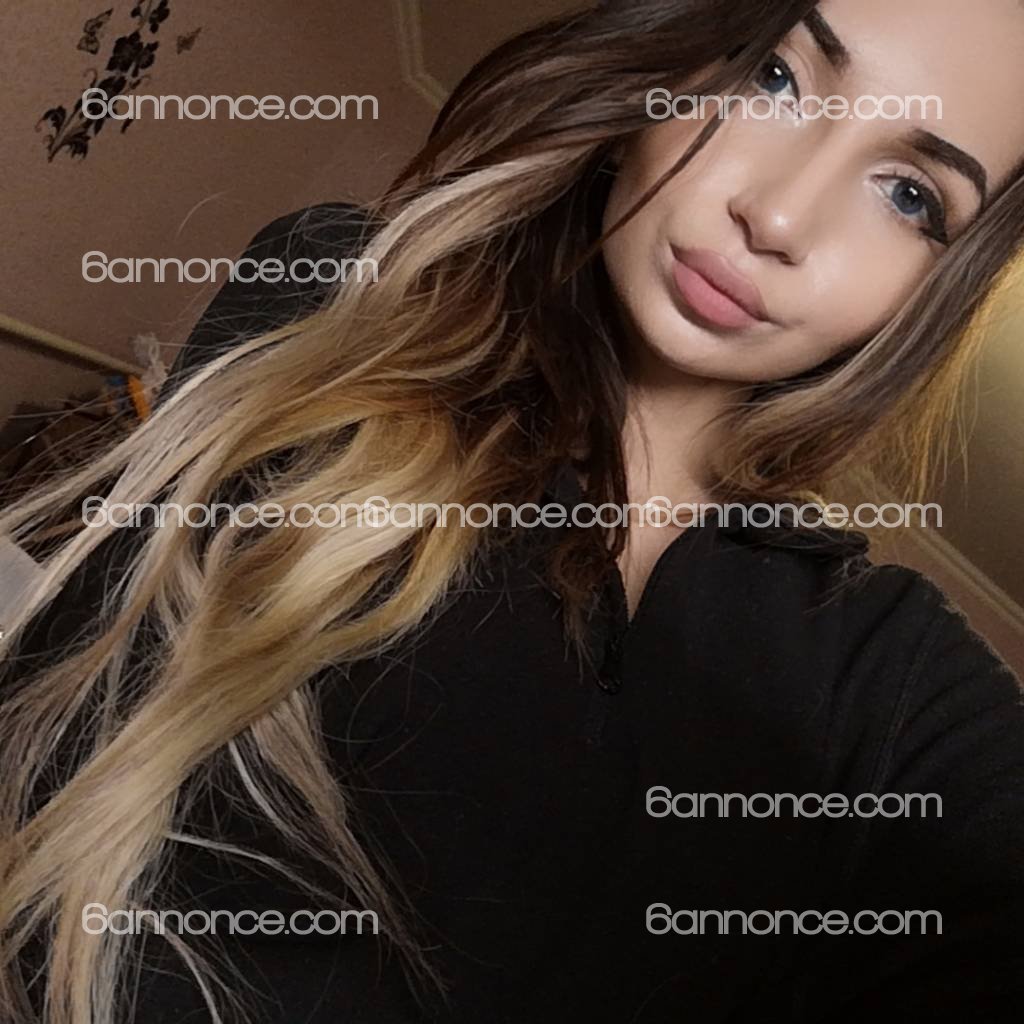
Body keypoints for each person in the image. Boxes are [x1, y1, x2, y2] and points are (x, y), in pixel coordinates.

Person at [3, 0, 1024, 1020]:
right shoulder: (347, 301)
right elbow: (66, 740)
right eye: (775, 77)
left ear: (934, 291)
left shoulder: (880, 675)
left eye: (908, 195)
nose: (780, 217)